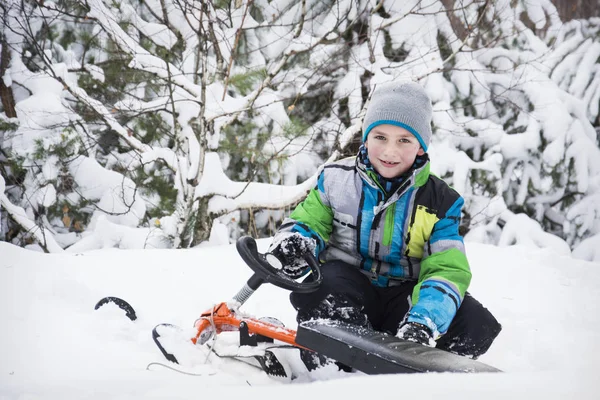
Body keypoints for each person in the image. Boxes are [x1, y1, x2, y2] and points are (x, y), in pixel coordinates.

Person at [268, 81, 501, 371]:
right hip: (348, 291)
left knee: (475, 322)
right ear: (365, 138)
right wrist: (296, 244)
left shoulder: (441, 202)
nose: (390, 151)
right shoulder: (336, 180)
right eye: (380, 136)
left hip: (404, 303)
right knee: (322, 286)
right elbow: (307, 221)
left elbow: (446, 269)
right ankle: (333, 367)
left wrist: (423, 319)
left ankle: (421, 369)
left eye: (404, 140)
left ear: (420, 147)